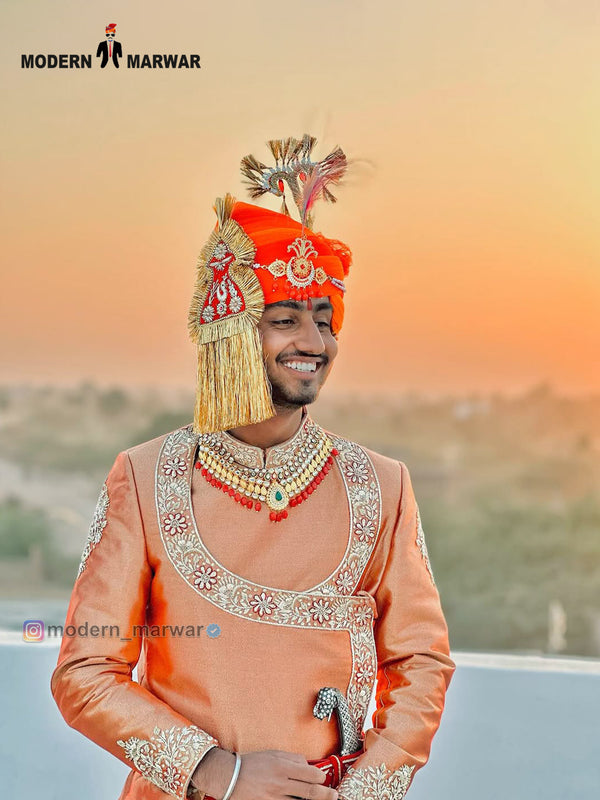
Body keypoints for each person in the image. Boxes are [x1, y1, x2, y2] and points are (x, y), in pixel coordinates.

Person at [51, 134, 455, 800]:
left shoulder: (381, 485)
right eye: (285, 319)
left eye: (324, 320)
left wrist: (364, 789)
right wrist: (220, 772)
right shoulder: (146, 479)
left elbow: (421, 662)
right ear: (232, 333)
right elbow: (85, 671)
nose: (314, 343)